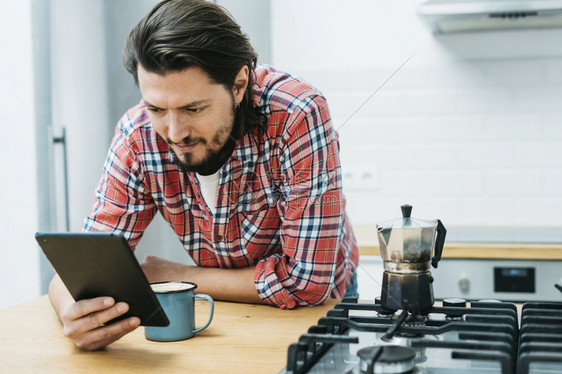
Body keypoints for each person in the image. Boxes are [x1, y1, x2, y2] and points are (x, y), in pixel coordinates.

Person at [48, 0, 359, 350]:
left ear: (239, 84)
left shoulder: (297, 115)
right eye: (156, 109)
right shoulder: (136, 136)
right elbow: (83, 269)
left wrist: (177, 276)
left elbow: (307, 282)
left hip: (317, 309)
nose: (175, 132)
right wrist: (71, 310)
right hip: (219, 308)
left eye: (193, 108)